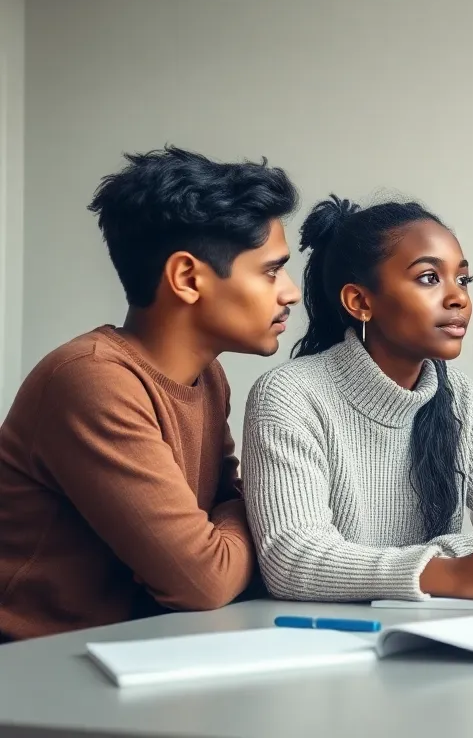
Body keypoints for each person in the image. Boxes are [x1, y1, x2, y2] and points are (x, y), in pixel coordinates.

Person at [0, 147, 299, 641]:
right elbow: (202, 581)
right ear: (187, 278)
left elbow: (226, 508)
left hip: (142, 649)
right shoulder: (92, 380)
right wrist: (263, 512)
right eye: (271, 271)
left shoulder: (208, 377)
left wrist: (234, 517)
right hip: (32, 663)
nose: (290, 293)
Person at [241, 196, 473, 603]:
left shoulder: (457, 395)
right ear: (360, 302)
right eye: (429, 278)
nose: (459, 298)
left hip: (431, 625)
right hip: (326, 633)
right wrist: (446, 572)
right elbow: (292, 560)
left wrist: (449, 566)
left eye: (463, 280)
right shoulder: (289, 395)